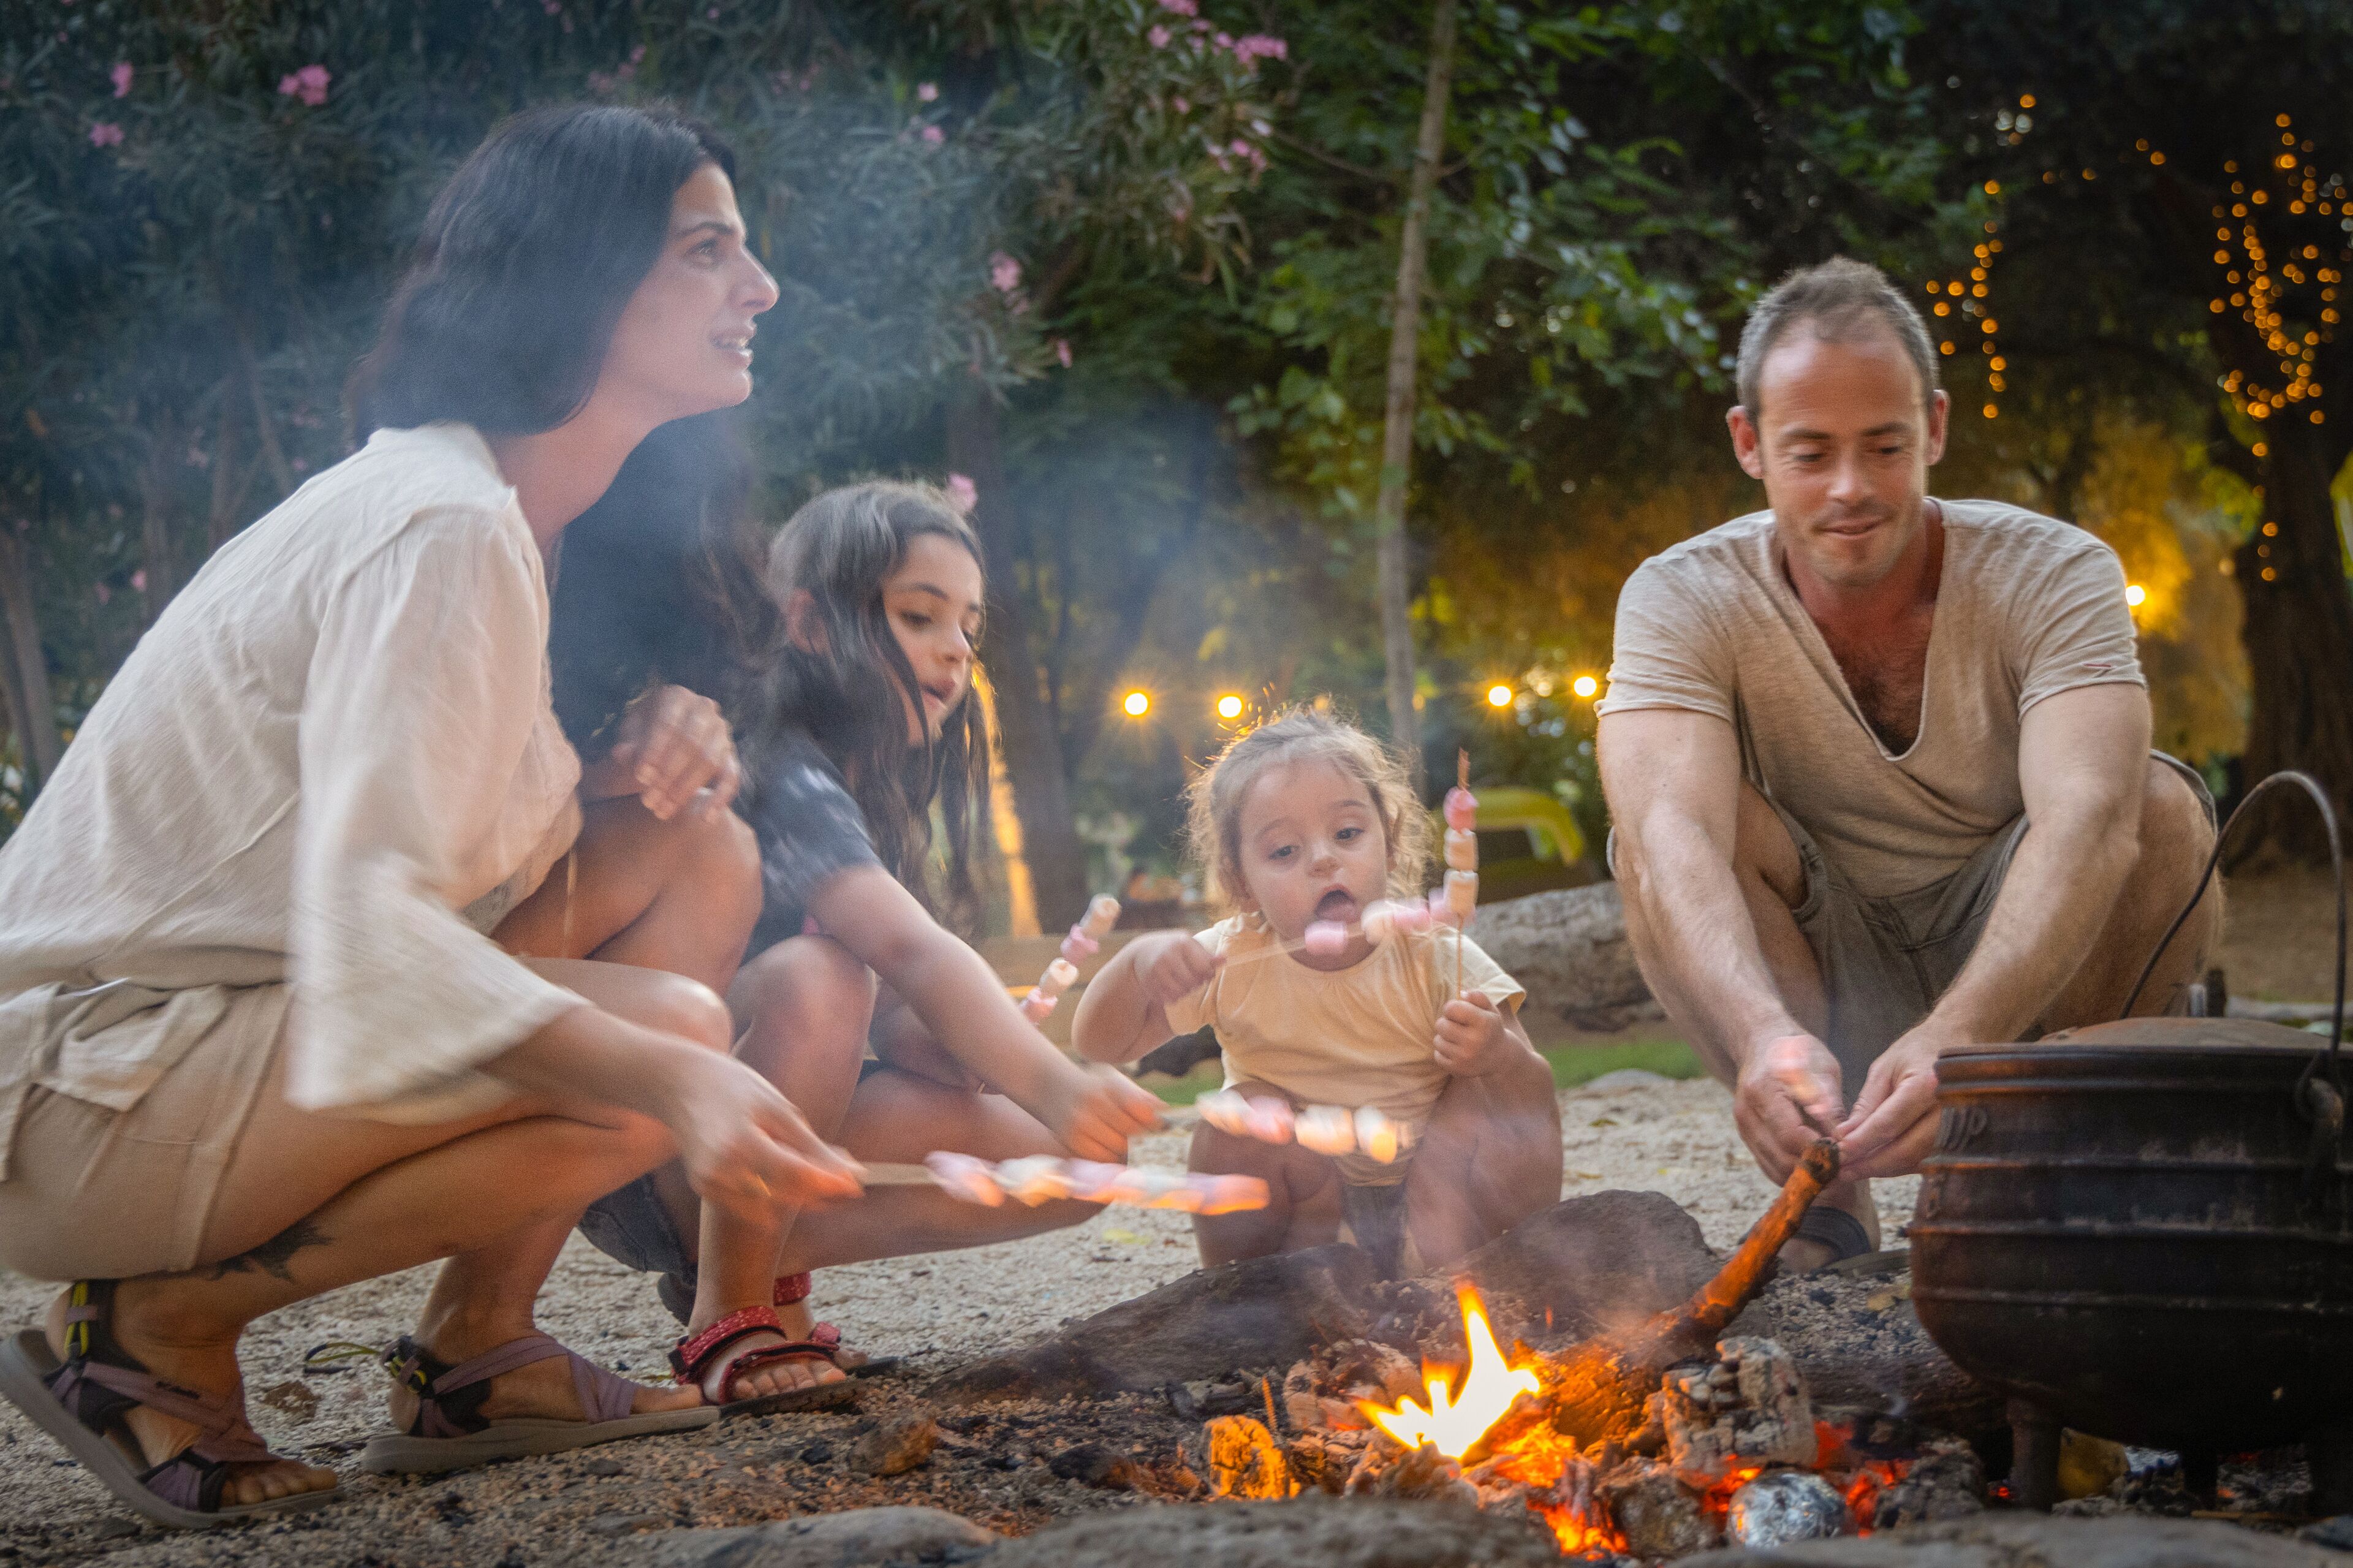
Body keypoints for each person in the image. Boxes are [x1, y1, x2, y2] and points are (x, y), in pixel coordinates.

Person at [0, 104, 867, 1529]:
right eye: (710, 251)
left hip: (181, 1055)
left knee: (695, 843)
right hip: (83, 1095)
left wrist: (610, 765)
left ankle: (478, 1350)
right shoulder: (441, 521)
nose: (758, 289)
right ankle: (149, 1332)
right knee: (667, 1037)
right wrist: (684, 1088)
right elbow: (372, 936)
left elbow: (417, 831)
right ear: (579, 278)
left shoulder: (503, 516)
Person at [1596, 257, 2221, 1270]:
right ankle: (1826, 1199)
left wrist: (1964, 1030)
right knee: (1648, 839)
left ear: (1933, 428)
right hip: (1824, 959)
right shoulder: (1680, 594)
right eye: (1811, 452)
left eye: (1884, 446)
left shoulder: (2055, 569)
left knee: (2157, 803)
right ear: (1749, 444)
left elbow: (2092, 817)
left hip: (2029, 955)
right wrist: (1760, 1032)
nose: (1851, 488)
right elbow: (1676, 837)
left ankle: (2042, 1173)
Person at [563, 479, 1166, 1414]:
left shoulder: (867, 788)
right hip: (650, 1147)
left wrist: (952, 1048)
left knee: (1082, 1165)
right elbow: (909, 950)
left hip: (734, 1147)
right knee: (820, 975)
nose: (957, 647)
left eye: (969, 624)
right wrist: (1054, 1079)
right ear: (808, 622)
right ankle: (730, 1304)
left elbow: (895, 1003)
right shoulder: (769, 751)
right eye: (920, 615)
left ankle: (765, 1267)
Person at [1072, 710, 1563, 1272]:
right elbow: (1101, 1043)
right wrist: (1138, 966)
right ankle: (1252, 1294)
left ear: (1391, 843)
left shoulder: (1434, 954)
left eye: (1348, 833)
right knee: (1238, 1118)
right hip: (1309, 1213)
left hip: (1442, 1203)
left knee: (1487, 1092)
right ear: (1240, 882)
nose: (1324, 858)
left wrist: (1497, 1055)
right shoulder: (1228, 959)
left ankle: (1483, 1273)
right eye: (1284, 851)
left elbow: (1532, 1093)